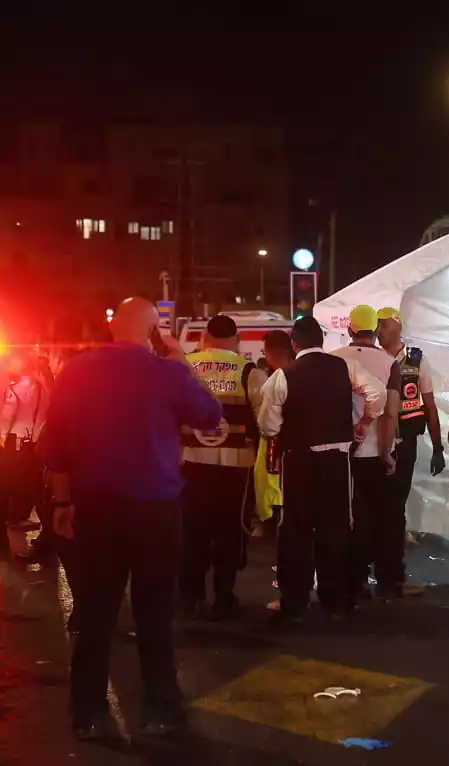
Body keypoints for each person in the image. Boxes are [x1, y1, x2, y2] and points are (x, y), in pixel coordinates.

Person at [43, 297, 223, 739]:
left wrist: (62, 504)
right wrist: (179, 355)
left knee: (96, 611)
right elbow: (210, 415)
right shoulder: (167, 372)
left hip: (95, 507)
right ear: (152, 331)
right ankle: (160, 709)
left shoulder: (76, 371)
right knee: (154, 614)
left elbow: (56, 446)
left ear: (111, 329)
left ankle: (86, 712)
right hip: (155, 510)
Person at [258, 317, 386, 625]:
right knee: (336, 528)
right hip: (336, 461)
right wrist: (365, 422)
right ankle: (335, 602)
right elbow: (377, 392)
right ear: (322, 340)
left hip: (298, 460)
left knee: (295, 530)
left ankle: (295, 602)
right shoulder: (343, 367)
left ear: (294, 343)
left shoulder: (282, 376)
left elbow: (268, 424)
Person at [179, 315, 267, 621]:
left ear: (204, 336)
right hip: (237, 469)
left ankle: (190, 596)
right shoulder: (249, 372)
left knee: (192, 533)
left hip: (190, 465)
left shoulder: (185, 367)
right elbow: (267, 421)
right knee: (230, 533)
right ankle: (224, 596)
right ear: (236, 338)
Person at [333, 305, 403, 602]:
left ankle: (346, 581)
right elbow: (389, 414)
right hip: (374, 452)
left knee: (342, 518)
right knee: (375, 519)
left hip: (339, 452)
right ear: (375, 331)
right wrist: (386, 453)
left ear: (350, 330)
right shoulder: (389, 363)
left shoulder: (333, 359)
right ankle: (376, 583)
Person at [376, 307, 445, 551]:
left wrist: (438, 447)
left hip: (406, 440)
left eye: (383, 325)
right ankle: (380, 549)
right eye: (376, 325)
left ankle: (391, 552)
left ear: (397, 327)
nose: (378, 330)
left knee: (398, 498)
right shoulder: (373, 357)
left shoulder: (416, 359)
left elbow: (429, 404)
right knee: (377, 498)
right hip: (377, 440)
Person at [2, 350, 52, 559]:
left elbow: (6, 419)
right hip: (33, 444)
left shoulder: (13, 391)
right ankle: (30, 521)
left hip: (13, 443)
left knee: (5, 485)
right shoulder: (43, 390)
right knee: (32, 486)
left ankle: (6, 538)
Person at [253, 330, 294, 526]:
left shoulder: (277, 379)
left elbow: (267, 424)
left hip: (275, 455)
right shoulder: (299, 374)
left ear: (268, 353)